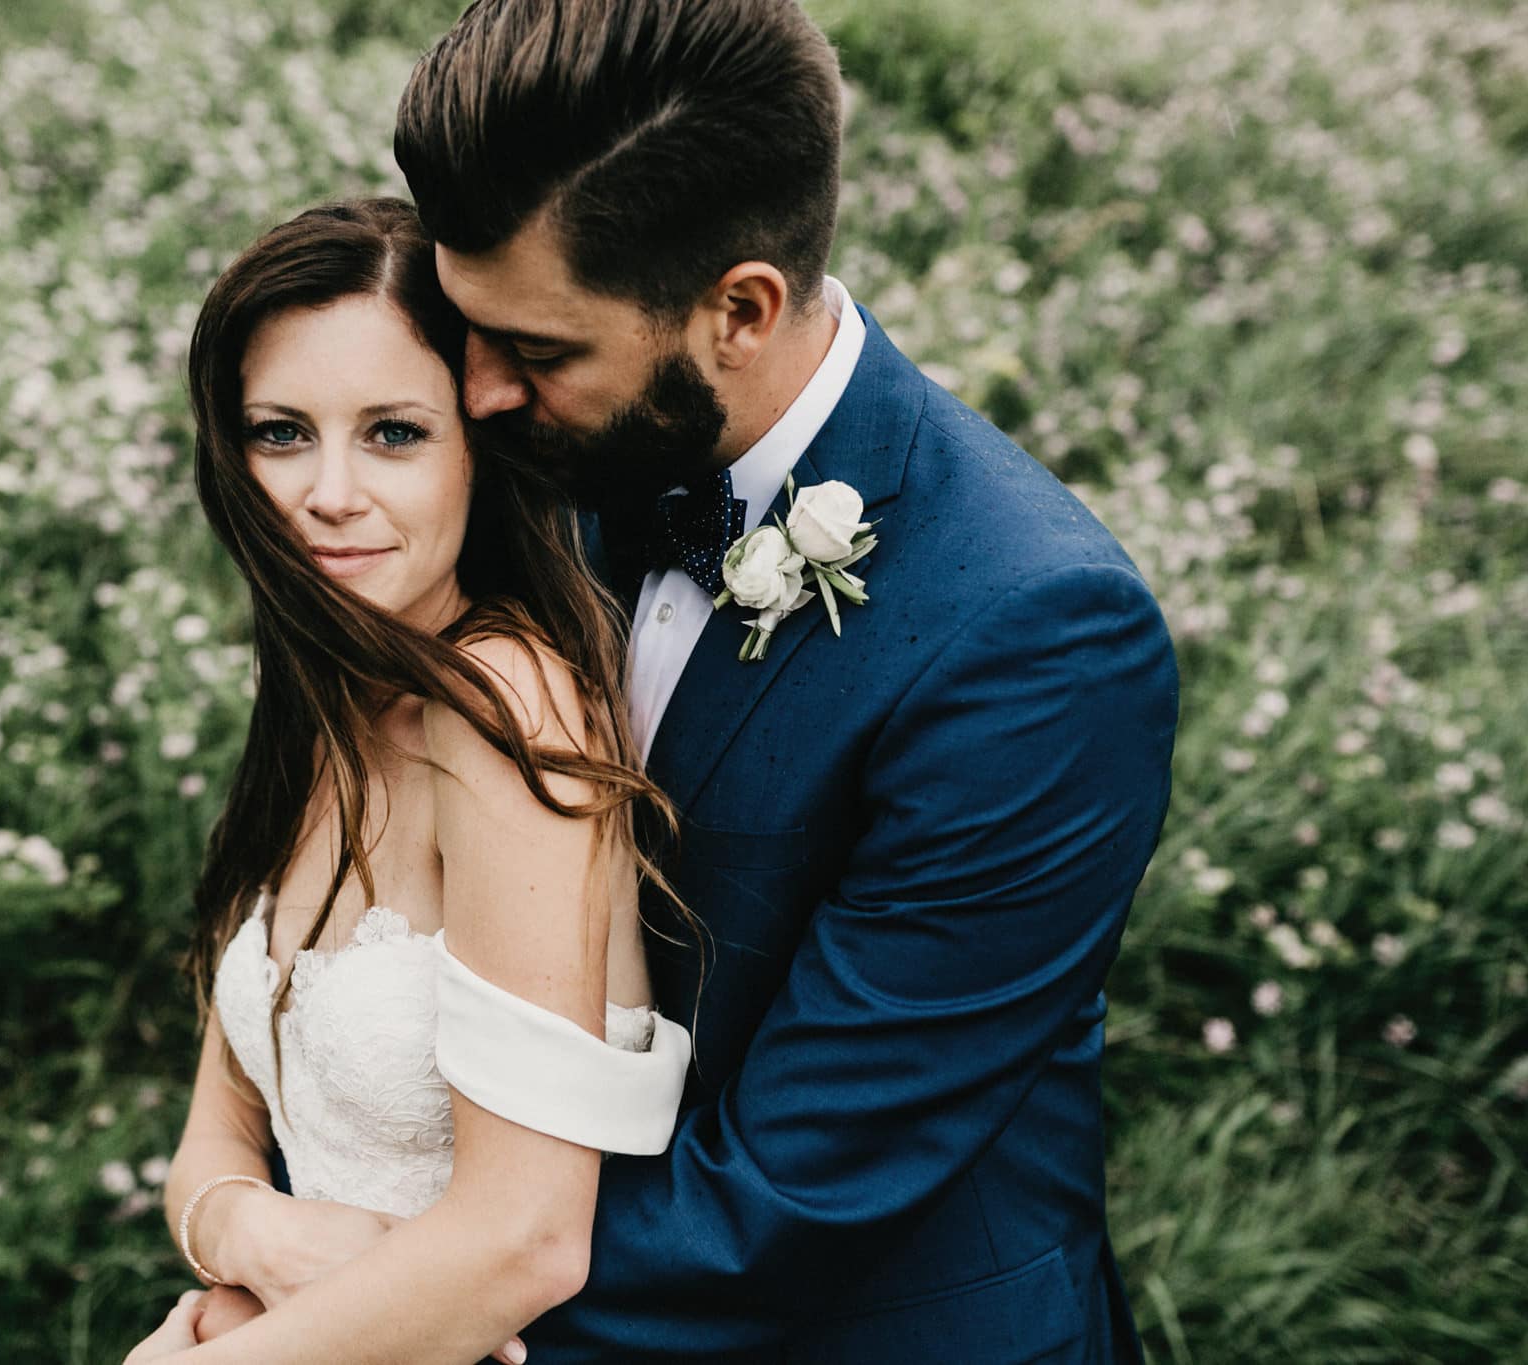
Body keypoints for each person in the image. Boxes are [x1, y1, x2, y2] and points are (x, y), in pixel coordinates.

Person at [378, 0, 1181, 1360]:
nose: (477, 392)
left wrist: (382, 1312)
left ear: (737, 310)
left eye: (538, 349)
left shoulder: (1036, 639)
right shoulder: (541, 467)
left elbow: (799, 1194)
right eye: (469, 327)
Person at [121, 197, 699, 1365]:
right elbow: (212, 1140)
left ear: (478, 451)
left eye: (392, 433)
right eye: (281, 432)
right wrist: (256, 1239)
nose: (327, 491)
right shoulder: (320, 700)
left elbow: (526, 1249)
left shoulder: (504, 712)